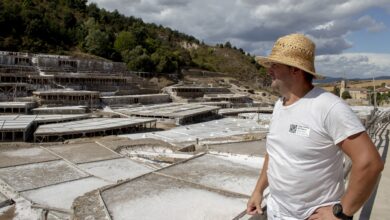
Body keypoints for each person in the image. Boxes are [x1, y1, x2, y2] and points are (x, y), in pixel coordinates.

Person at [246, 33, 384, 220]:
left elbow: (370, 162)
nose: (269, 70)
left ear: (295, 70)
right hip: (276, 212)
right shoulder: (280, 104)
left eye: (275, 65)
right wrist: (258, 190)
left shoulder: (328, 106)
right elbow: (275, 152)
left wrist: (341, 212)